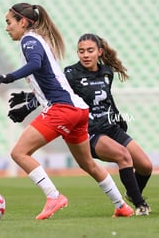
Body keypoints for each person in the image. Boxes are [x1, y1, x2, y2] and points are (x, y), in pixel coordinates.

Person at [0, 3, 133, 219]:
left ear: (23, 22)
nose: (7, 28)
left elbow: (35, 64)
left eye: (9, 22)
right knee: (88, 164)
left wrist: (8, 77)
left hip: (62, 109)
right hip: (79, 110)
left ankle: (54, 196)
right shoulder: (39, 40)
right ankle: (122, 206)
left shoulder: (28, 40)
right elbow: (48, 79)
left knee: (19, 153)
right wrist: (29, 102)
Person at [63, 33, 153, 215]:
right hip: (89, 132)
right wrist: (30, 100)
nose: (85, 55)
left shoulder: (106, 72)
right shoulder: (70, 74)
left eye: (90, 50)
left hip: (110, 127)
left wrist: (118, 117)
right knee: (123, 155)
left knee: (145, 166)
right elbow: (54, 92)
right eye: (81, 51)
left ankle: (132, 192)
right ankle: (140, 205)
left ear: (99, 52)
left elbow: (107, 99)